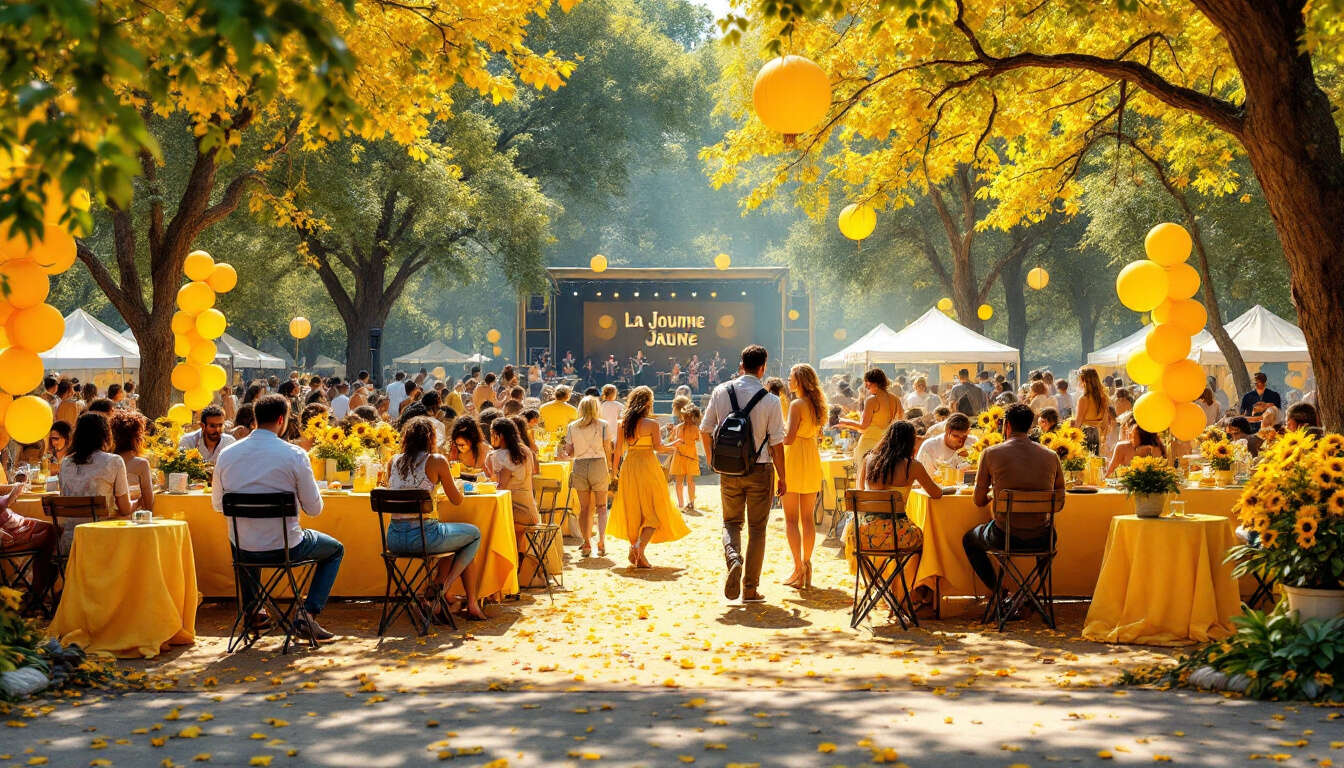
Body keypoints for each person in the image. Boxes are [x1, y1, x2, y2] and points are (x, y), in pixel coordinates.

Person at [212, 394, 342, 641]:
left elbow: (219, 505)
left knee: (241, 540)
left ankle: (252, 610)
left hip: (245, 551)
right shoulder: (294, 455)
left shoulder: (227, 454)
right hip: (287, 548)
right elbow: (315, 509)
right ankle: (308, 614)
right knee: (335, 550)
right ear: (281, 420)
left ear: (254, 420)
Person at [699, 345, 786, 603]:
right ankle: (750, 588)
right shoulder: (771, 401)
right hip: (760, 469)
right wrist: (783, 476)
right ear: (762, 368)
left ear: (741, 364)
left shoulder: (720, 392)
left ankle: (733, 558)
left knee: (730, 522)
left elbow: (705, 430)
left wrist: (713, 460)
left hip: (729, 469)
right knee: (758, 529)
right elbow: (777, 445)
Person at [385, 417, 487, 622]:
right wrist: (458, 485)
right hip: (423, 536)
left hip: (394, 538)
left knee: (450, 547)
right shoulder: (437, 461)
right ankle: (439, 591)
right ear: (431, 438)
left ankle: (443, 596)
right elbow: (456, 500)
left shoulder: (393, 461)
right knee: (473, 535)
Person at [962, 403, 1065, 603]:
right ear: (1030, 426)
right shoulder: (1051, 456)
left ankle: (1000, 593)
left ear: (1006, 426)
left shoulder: (991, 454)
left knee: (969, 539)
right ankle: (1032, 596)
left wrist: (995, 496)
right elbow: (1059, 503)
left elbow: (978, 501)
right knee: (1051, 537)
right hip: (1042, 537)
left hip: (1004, 536)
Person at [857, 419, 943, 611]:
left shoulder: (869, 459)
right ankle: (906, 595)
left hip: (864, 533)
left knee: (899, 546)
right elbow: (936, 493)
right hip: (896, 534)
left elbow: (859, 491)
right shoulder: (912, 466)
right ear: (910, 442)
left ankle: (881, 589)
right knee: (922, 541)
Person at [609, 386, 689, 568]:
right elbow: (659, 448)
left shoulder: (623, 424)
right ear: (647, 403)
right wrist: (674, 445)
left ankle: (637, 549)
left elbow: (618, 451)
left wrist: (614, 472)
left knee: (633, 509)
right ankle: (639, 547)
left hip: (629, 467)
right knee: (656, 508)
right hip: (648, 466)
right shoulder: (652, 424)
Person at [59, 412, 134, 551]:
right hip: (101, 537)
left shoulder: (65, 462)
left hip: (71, 538)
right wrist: (140, 501)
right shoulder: (113, 461)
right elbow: (125, 508)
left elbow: (67, 499)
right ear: (105, 434)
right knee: (133, 518)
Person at [780, 363, 826, 590]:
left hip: (794, 458)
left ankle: (798, 567)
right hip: (811, 457)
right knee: (807, 519)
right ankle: (806, 564)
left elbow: (788, 439)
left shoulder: (797, 404)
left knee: (791, 519)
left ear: (799, 381)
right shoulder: (817, 404)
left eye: (791, 378)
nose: (788, 381)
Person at [565, 396, 615, 558]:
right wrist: (610, 467)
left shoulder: (572, 426)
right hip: (598, 463)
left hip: (580, 464)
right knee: (601, 507)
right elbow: (607, 448)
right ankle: (601, 541)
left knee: (584, 508)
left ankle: (586, 542)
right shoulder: (603, 425)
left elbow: (569, 451)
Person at [0, 479, 58, 615]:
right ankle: (37, 595)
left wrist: (12, 488)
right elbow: (5, 502)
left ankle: (36, 593)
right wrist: (10, 496)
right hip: (9, 533)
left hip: (13, 524)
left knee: (53, 531)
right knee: (51, 534)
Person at [486, 418, 540, 552]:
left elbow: (500, 487)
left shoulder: (501, 455)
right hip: (530, 511)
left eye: (492, 433)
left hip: (516, 513)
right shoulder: (524, 451)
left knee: (486, 522)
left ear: (500, 435)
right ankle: (518, 558)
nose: (490, 437)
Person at [837, 368, 904, 475]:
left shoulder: (872, 400)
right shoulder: (896, 400)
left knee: (864, 479)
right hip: (887, 445)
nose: (867, 387)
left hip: (869, 444)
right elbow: (901, 423)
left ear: (875, 383)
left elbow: (863, 427)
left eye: (868, 383)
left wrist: (845, 422)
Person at [110, 411, 154, 512]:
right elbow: (148, 504)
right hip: (131, 521)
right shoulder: (141, 464)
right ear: (138, 438)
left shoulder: (106, 462)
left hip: (105, 520)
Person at [667, 404, 702, 514]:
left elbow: (699, 442)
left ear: (693, 417)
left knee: (690, 481)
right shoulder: (678, 427)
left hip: (691, 457)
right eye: (684, 416)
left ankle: (691, 503)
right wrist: (669, 431)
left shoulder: (696, 429)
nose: (686, 419)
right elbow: (670, 440)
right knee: (679, 481)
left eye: (689, 417)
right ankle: (681, 504)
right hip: (679, 456)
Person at [1073, 367, 1112, 451]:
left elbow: (1079, 422)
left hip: (1086, 434)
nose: (1078, 382)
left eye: (1079, 380)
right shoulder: (1103, 396)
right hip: (1098, 434)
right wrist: (1103, 437)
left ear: (1084, 381)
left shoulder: (1084, 399)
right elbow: (1105, 421)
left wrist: (1072, 436)